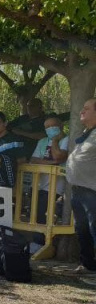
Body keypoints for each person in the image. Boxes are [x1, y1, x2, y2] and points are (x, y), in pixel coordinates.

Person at [66, 98, 96, 275]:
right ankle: (88, 264)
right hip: (78, 189)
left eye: (86, 108)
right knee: (82, 229)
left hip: (93, 190)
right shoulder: (88, 132)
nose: (81, 111)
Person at [29, 115, 69, 227]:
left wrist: (55, 140)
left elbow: (59, 156)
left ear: (61, 126)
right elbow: (33, 160)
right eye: (47, 127)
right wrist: (51, 163)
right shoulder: (42, 141)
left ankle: (43, 242)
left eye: (53, 126)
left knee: (47, 218)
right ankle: (37, 242)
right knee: (35, 216)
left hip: (55, 188)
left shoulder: (66, 140)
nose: (50, 129)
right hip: (38, 185)